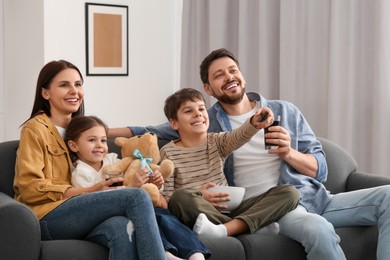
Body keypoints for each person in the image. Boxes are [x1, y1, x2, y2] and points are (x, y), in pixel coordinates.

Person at [109, 48, 390, 260]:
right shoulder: (207, 124)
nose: (228, 77)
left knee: (387, 196)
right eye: (218, 75)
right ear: (208, 89)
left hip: (312, 196)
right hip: (268, 208)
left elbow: (321, 170)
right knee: (317, 229)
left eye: (232, 70)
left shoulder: (284, 111)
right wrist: (97, 131)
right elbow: (149, 131)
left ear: (241, 75)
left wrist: (289, 152)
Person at [14, 60, 166, 260]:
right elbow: (29, 188)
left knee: (122, 228)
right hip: (46, 216)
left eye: (78, 84)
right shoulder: (35, 129)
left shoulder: (83, 130)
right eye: (64, 85)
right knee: (136, 197)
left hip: (82, 214)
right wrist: (92, 191)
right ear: (45, 93)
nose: (74, 91)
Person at [156, 87, 299, 238]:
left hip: (231, 208)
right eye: (188, 111)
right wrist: (199, 194)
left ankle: (226, 229)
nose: (198, 113)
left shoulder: (216, 141)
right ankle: (247, 226)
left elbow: (239, 136)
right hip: (197, 209)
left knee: (290, 192)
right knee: (181, 198)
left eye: (201, 109)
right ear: (174, 123)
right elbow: (169, 200)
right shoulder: (168, 152)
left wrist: (254, 123)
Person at [65, 115, 211, 260]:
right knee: (144, 219)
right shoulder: (80, 173)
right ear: (74, 146)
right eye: (92, 140)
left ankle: (195, 254)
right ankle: (165, 253)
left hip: (134, 207)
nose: (99, 145)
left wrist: (154, 184)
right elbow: (96, 205)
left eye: (103, 140)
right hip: (110, 216)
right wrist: (132, 186)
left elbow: (136, 179)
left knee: (166, 217)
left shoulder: (113, 159)